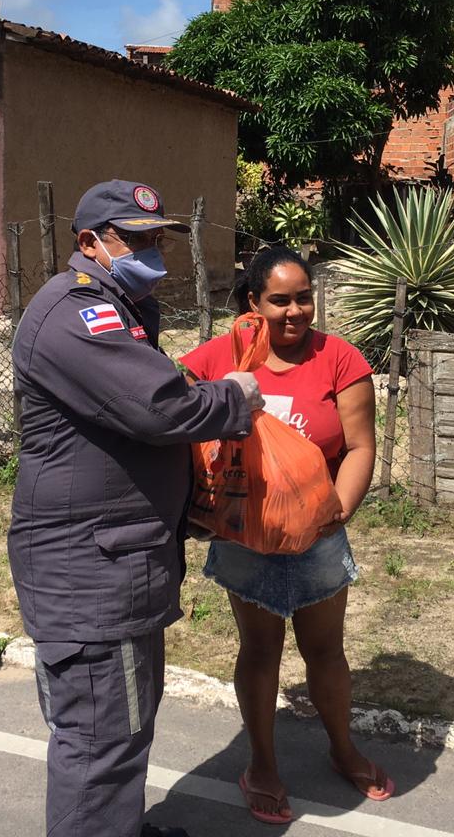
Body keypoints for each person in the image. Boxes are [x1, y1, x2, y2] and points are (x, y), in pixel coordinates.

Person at [9, 179, 263, 837]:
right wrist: (235, 399)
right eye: (138, 239)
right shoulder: (78, 312)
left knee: (121, 724)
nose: (156, 252)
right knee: (99, 743)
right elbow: (157, 408)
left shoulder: (120, 308)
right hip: (90, 575)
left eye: (159, 239)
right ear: (90, 242)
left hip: (116, 562)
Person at [180, 245, 392, 824]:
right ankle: (263, 765)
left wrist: (339, 509)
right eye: (280, 301)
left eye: (304, 297)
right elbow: (170, 391)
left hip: (319, 535)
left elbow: (360, 446)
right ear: (254, 302)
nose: (296, 311)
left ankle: (343, 750)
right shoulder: (226, 355)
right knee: (261, 648)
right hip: (246, 536)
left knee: (325, 649)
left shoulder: (339, 358)